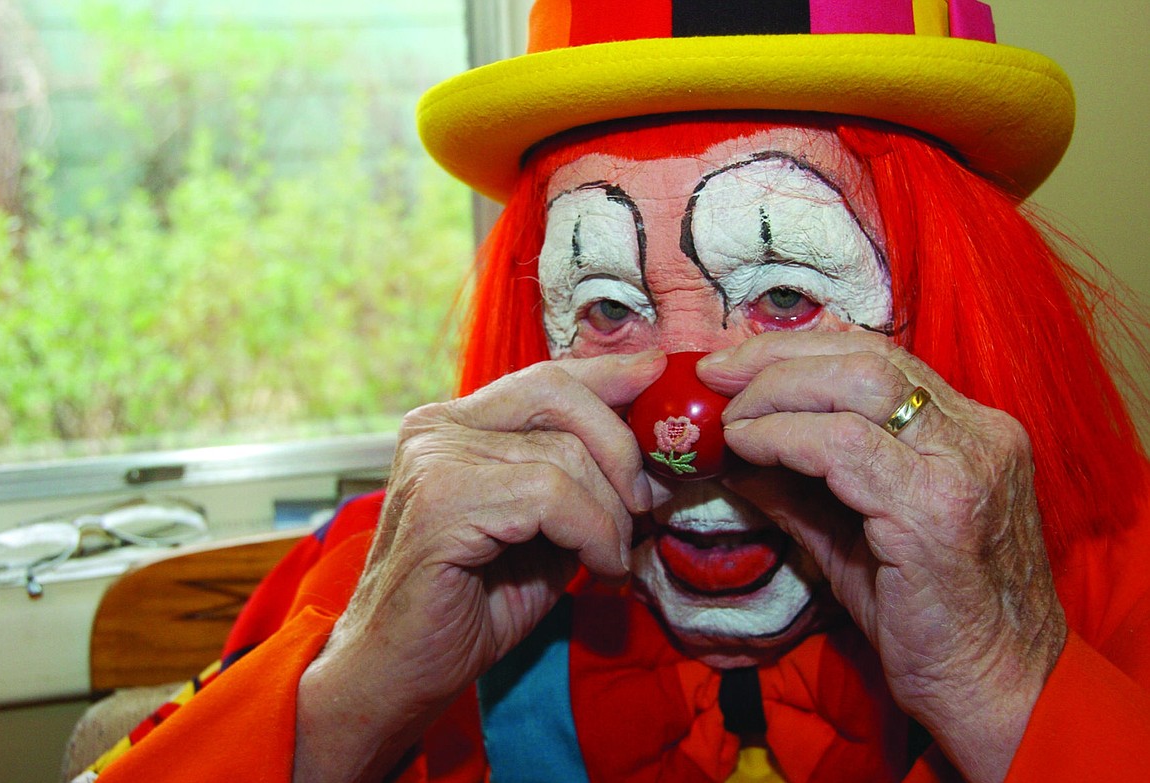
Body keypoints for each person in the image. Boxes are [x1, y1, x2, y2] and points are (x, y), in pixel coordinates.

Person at [76, 1, 1150, 781]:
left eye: (785, 294)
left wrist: (1009, 693)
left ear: (950, 306)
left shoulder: (1111, 584)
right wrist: (347, 706)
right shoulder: (398, 578)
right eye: (605, 307)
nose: (684, 429)